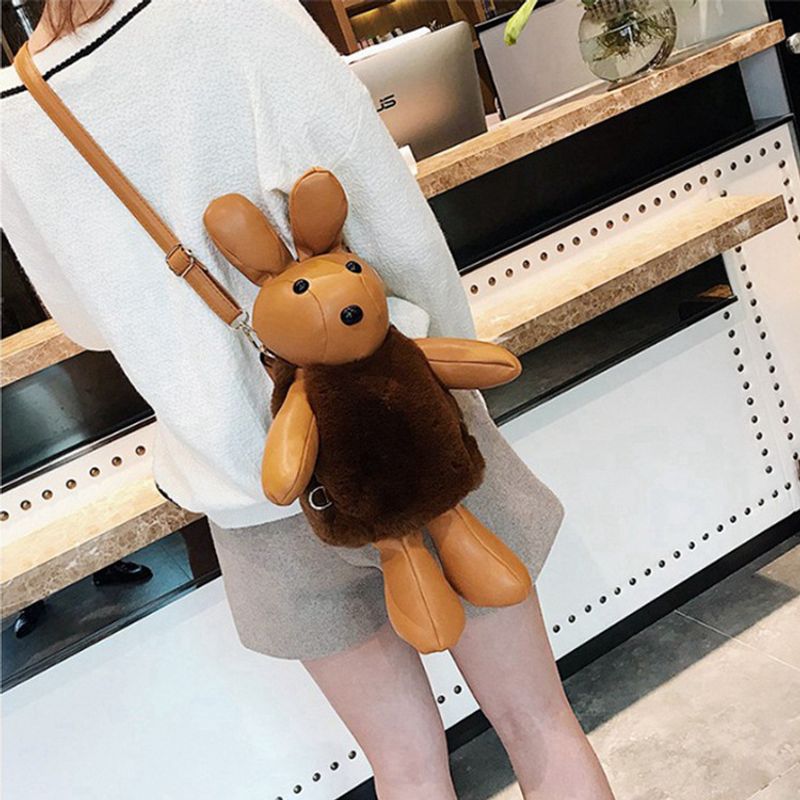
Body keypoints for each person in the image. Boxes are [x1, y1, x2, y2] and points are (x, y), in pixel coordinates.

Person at [1, 1, 614, 797]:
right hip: (401, 434)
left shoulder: (17, 109)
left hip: (251, 489)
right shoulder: (235, 11)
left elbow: (86, 320)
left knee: (405, 768)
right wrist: (444, 386)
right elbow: (386, 214)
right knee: (537, 724)